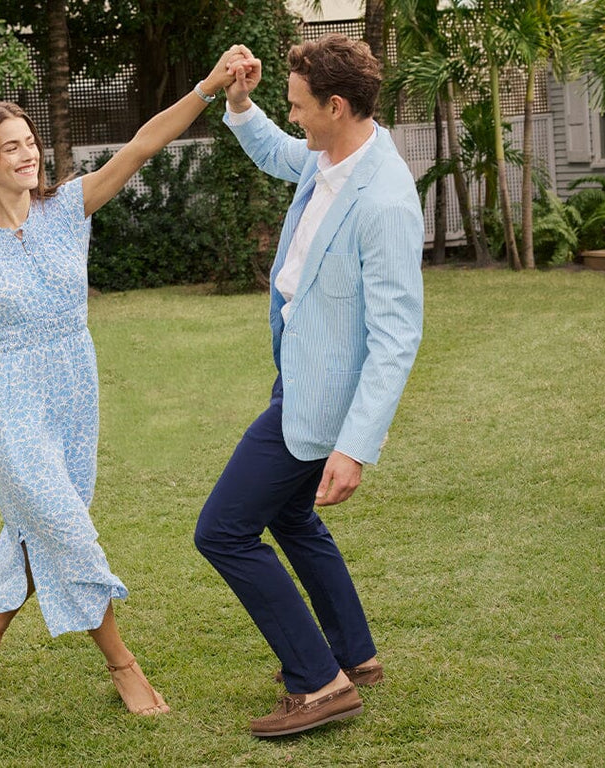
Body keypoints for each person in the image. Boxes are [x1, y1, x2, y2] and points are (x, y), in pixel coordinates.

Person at [0, 48, 245, 715]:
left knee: (43, 530)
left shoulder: (69, 208)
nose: (28, 154)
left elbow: (143, 144)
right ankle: (124, 667)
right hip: (12, 403)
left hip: (77, 394)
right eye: (11, 147)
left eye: (30, 142)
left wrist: (207, 86)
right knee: (65, 529)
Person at [194, 35, 424, 737]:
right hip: (295, 377)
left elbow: (395, 336)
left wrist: (354, 447)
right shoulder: (330, 158)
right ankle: (353, 656)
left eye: (298, 106)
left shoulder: (383, 199)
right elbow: (274, 151)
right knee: (291, 516)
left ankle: (318, 683)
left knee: (224, 531)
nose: (292, 117)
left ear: (336, 104)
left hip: (319, 404)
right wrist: (240, 102)